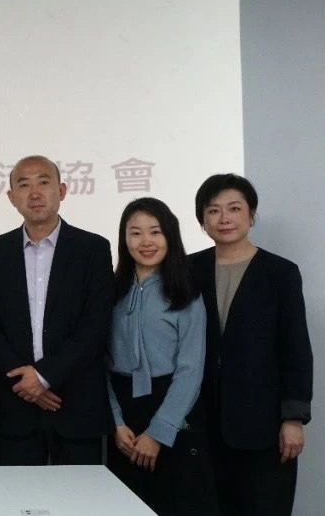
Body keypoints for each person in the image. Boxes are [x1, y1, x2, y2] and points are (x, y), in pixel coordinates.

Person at [0, 155, 113, 465]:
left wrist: (45, 376)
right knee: (18, 494)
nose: (35, 193)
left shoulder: (93, 249)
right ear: (12, 197)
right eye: (24, 185)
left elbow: (96, 325)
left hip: (75, 402)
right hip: (16, 405)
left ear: (61, 190)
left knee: (78, 494)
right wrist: (27, 382)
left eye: (44, 182)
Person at [191, 174, 313, 516]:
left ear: (251, 214)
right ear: (203, 220)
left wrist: (293, 418)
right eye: (213, 210)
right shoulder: (188, 269)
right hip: (202, 425)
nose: (224, 218)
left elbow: (296, 348)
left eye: (234, 208)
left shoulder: (280, 273)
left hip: (264, 425)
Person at [106, 198, 217, 515]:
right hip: (123, 411)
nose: (146, 242)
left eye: (155, 232)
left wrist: (158, 432)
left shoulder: (186, 293)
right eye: (135, 233)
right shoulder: (111, 290)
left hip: (173, 408)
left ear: (170, 235)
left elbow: (191, 370)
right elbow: (99, 363)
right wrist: (115, 421)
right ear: (124, 239)